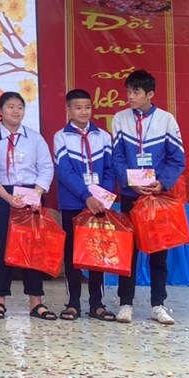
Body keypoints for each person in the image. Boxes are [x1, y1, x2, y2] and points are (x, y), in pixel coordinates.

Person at [111, 68, 186, 325]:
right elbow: (117, 157)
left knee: (159, 252)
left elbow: (177, 159)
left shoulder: (166, 120)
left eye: (136, 92)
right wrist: (130, 181)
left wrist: (162, 182)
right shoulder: (120, 119)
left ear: (150, 94)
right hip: (131, 194)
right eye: (128, 91)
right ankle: (125, 303)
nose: (130, 97)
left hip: (156, 195)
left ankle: (158, 304)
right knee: (128, 251)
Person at [0, 91, 57, 321]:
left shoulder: (34, 138)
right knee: (2, 247)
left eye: (20, 107)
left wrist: (36, 193)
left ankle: (36, 302)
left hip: (31, 195)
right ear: (0, 111)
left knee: (33, 249)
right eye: (10, 107)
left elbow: (46, 167)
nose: (15, 111)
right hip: (2, 196)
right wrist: (7, 197)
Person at [52, 88, 117, 322]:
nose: (83, 112)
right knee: (73, 254)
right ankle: (73, 303)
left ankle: (97, 304)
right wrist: (86, 195)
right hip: (73, 203)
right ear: (68, 110)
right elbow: (64, 172)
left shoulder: (103, 136)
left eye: (87, 107)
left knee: (97, 253)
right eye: (78, 108)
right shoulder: (61, 137)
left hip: (99, 204)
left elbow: (110, 169)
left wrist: (102, 196)